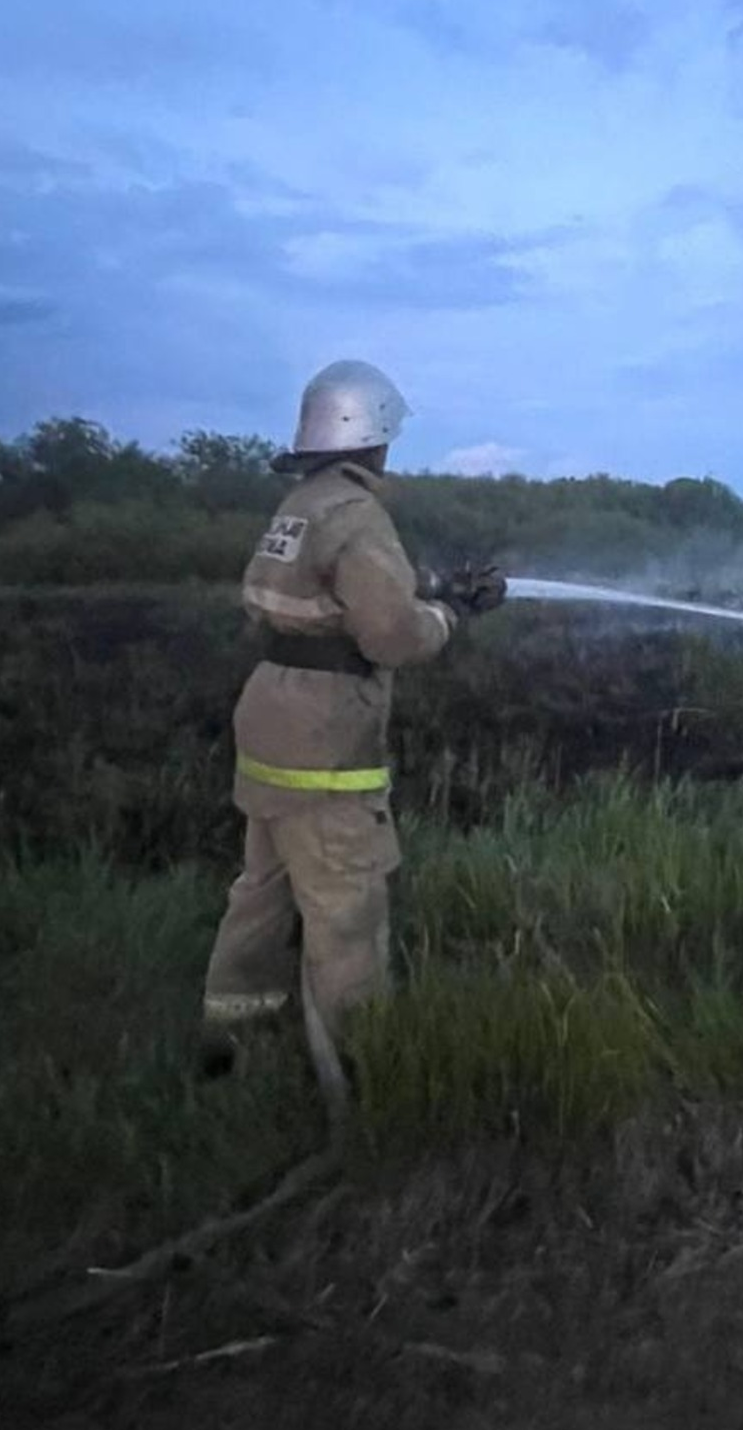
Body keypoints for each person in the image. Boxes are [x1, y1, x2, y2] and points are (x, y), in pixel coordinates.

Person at [198, 359, 505, 1106]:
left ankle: (229, 1044)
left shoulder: (301, 506)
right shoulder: (359, 515)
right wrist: (448, 616)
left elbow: (316, 594)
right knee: (346, 913)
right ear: (371, 439)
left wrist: (428, 581)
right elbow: (392, 637)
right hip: (326, 746)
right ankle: (362, 1085)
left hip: (269, 725)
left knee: (263, 893)